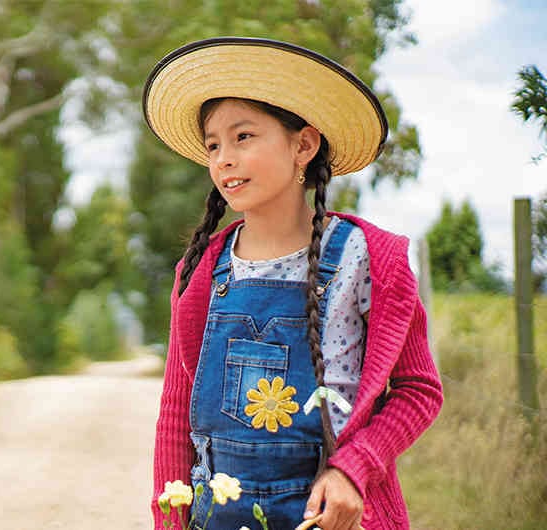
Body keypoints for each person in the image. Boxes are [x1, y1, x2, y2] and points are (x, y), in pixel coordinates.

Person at [143, 37, 443, 530]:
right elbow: (176, 415)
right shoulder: (199, 271)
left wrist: (355, 467)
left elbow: (418, 390)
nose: (223, 159)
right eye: (213, 145)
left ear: (303, 144)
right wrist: (168, 521)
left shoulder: (367, 259)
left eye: (243, 137)